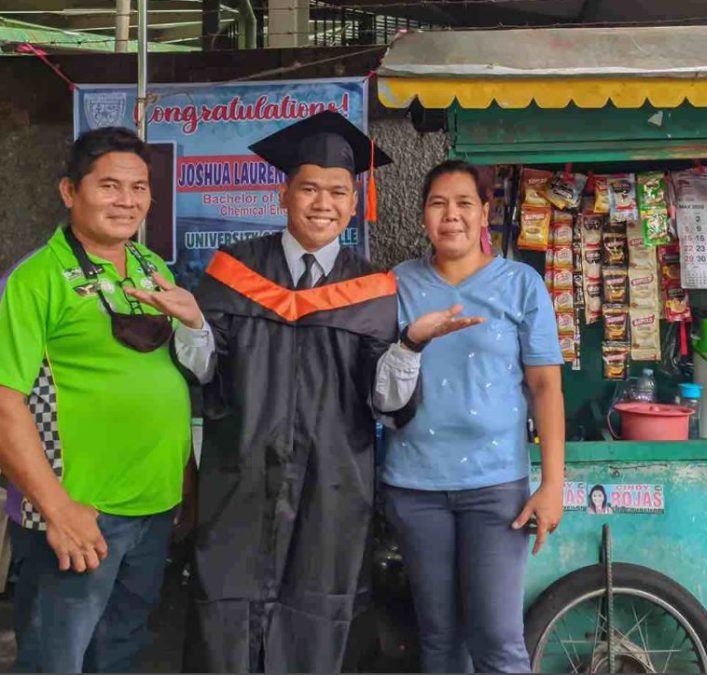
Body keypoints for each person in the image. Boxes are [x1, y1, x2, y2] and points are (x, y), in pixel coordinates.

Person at [128, 111, 480, 673]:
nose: (323, 203)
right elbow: (202, 373)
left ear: (354, 200)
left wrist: (410, 345)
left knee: (318, 618)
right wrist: (193, 323)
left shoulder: (371, 290)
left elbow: (385, 403)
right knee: (228, 615)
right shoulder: (233, 271)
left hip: (331, 490)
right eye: (309, 188)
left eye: (338, 191)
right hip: (241, 481)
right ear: (283, 193)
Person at [0, 126, 196, 672]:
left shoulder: (151, 269)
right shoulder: (34, 280)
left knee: (122, 651)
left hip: (152, 507)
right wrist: (58, 509)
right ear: (70, 192)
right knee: (56, 658)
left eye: (139, 188)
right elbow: (3, 403)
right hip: (79, 513)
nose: (126, 201)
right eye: (110, 186)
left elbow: (165, 376)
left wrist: (185, 483)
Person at [381, 160, 566, 674]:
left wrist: (553, 483)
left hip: (495, 487)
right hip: (414, 485)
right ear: (422, 216)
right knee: (439, 641)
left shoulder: (521, 285)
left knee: (497, 639)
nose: (451, 215)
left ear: (486, 211)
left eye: (464, 203)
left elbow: (545, 386)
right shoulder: (396, 284)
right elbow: (376, 379)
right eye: (438, 203)